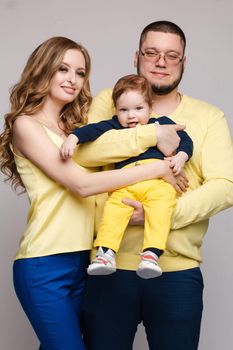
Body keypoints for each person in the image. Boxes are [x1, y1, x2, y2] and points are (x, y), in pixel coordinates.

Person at [0, 36, 186, 350]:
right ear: (43, 69)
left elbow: (127, 136)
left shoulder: (77, 127)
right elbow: (82, 185)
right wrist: (158, 168)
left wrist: (167, 142)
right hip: (44, 262)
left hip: (87, 259)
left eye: (80, 72)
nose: (73, 80)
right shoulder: (26, 125)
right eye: (63, 69)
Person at [76, 21, 233, 350]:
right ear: (137, 57)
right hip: (110, 264)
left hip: (176, 270)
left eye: (172, 55)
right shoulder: (111, 100)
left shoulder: (209, 116)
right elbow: (86, 154)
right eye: (152, 52)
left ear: (183, 62)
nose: (161, 62)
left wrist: (157, 214)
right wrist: (152, 134)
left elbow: (225, 186)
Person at [60, 74, 193, 279]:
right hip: (126, 182)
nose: (131, 116)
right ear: (116, 110)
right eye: (124, 110)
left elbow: (185, 140)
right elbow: (92, 130)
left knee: (162, 206)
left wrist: (181, 157)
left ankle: (151, 254)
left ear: (150, 107)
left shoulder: (162, 124)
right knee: (113, 208)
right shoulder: (115, 126)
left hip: (158, 183)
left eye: (138, 109)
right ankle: (105, 253)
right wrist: (73, 138)